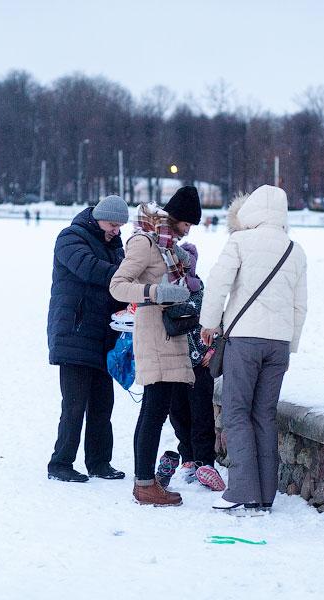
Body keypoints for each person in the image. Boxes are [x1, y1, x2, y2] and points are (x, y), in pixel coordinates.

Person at [200, 185, 307, 514]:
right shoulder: (295, 250)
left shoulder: (240, 241)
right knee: (264, 415)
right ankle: (264, 494)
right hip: (278, 346)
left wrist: (209, 323)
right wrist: (290, 344)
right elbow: (300, 306)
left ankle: (241, 490)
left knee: (236, 412)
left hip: (245, 340)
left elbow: (218, 283)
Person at [109, 185, 202, 506]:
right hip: (154, 335)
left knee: (156, 410)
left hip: (170, 335)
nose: (189, 229)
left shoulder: (167, 247)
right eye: (188, 223)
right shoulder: (145, 243)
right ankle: (145, 484)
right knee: (153, 412)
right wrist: (155, 293)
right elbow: (118, 286)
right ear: (175, 217)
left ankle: (145, 482)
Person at [46, 195, 129, 482]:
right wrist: (127, 276)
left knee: (102, 405)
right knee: (74, 405)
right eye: (112, 224)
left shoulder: (115, 246)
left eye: (120, 226)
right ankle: (60, 463)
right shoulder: (70, 237)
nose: (116, 230)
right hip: (75, 333)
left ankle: (99, 462)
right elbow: (89, 268)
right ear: (97, 217)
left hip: (104, 336)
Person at [159, 242, 225, 492]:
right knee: (177, 413)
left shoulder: (203, 292)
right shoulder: (166, 290)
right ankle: (187, 457)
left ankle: (205, 462)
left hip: (200, 362)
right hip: (174, 360)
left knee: (202, 415)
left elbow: (220, 323)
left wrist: (213, 350)